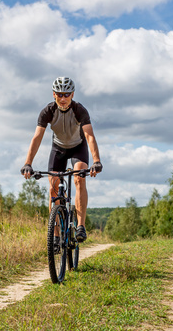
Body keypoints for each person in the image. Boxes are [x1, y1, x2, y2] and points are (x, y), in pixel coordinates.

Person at [21, 76, 102, 244]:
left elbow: (90, 137)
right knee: (53, 187)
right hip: (58, 149)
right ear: (53, 94)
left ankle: (80, 226)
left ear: (72, 94)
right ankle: (56, 235)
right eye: (59, 94)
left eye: (66, 94)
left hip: (77, 148)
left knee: (79, 177)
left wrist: (96, 161)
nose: (63, 98)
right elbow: (37, 137)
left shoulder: (80, 110)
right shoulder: (48, 111)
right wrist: (28, 163)